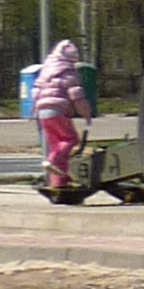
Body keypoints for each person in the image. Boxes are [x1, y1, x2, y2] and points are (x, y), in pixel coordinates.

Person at [31, 38, 91, 189]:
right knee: (70, 139)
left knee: (56, 145)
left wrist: (34, 108)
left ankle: (58, 182)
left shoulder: (45, 70)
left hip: (42, 113)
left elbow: (36, 89)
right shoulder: (67, 72)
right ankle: (52, 161)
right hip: (58, 111)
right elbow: (77, 96)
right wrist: (86, 113)